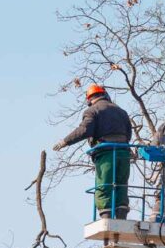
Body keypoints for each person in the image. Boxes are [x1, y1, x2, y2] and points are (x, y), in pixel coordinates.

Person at [53, 84, 132, 219]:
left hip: (106, 153)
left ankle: (106, 216)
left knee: (104, 185)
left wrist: (65, 141)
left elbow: (85, 130)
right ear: (104, 95)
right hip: (124, 153)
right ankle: (121, 215)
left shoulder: (92, 111)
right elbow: (128, 134)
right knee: (121, 185)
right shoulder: (121, 111)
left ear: (89, 99)